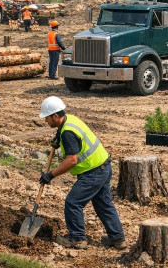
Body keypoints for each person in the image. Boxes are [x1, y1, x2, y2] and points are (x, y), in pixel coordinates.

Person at [38, 96, 126, 250]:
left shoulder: (68, 133)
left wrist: (50, 175)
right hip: (103, 165)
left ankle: (77, 238)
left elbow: (71, 160)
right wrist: (58, 136)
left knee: (73, 202)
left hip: (93, 172)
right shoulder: (69, 120)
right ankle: (117, 239)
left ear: (55, 116)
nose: (45, 121)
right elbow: (72, 135)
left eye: (47, 118)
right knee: (104, 204)